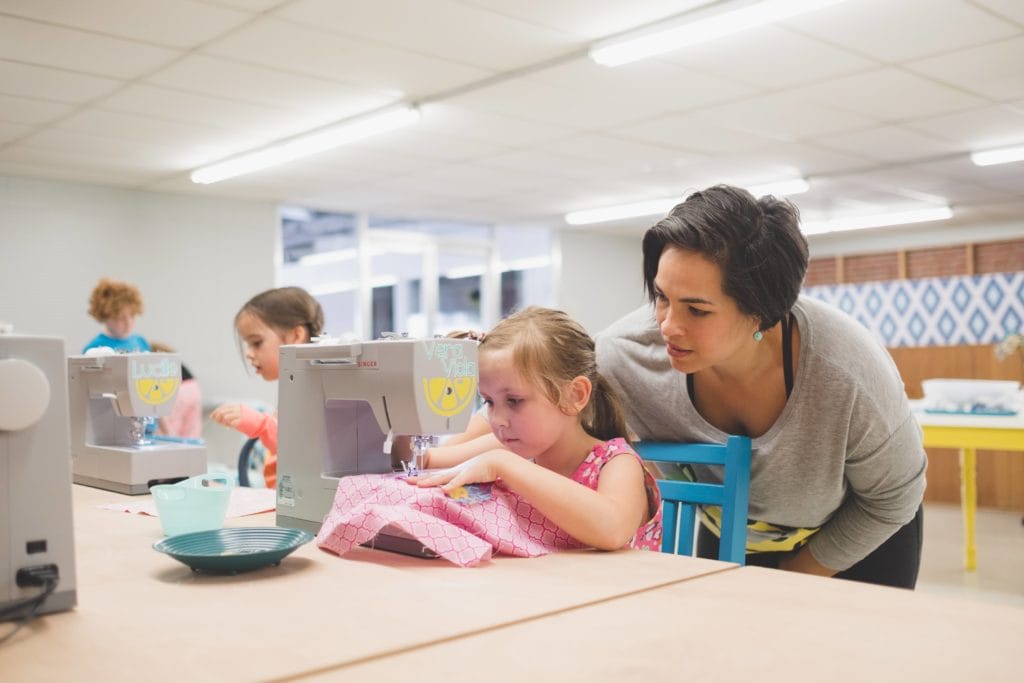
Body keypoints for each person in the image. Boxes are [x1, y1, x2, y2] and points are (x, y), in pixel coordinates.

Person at [595, 184, 927, 587]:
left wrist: (787, 580)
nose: (667, 326)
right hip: (731, 529)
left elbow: (892, 500)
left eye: (697, 310)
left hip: (859, 535)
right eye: (661, 297)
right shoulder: (624, 355)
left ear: (762, 313)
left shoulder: (847, 373)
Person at [408, 306, 661, 551]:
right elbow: (423, 460)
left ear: (575, 395)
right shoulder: (510, 448)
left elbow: (612, 530)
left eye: (514, 401)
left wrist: (503, 464)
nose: (497, 420)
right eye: (489, 402)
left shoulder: (616, 463)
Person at [210, 286, 323, 489]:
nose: (248, 353)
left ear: (296, 335)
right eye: (248, 345)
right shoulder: (293, 387)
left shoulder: (318, 388)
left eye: (256, 343)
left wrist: (261, 425)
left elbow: (305, 452)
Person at [149, 341, 203, 440]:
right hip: (192, 388)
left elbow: (162, 425)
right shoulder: (191, 385)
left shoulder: (156, 376)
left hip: (176, 392)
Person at [83, 277, 150, 353]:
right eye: (121, 318)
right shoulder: (94, 349)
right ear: (105, 316)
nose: (128, 323)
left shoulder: (141, 342)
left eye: (132, 316)